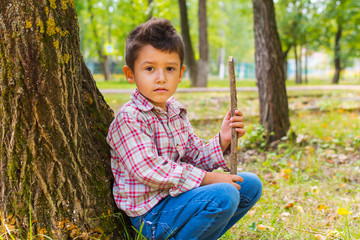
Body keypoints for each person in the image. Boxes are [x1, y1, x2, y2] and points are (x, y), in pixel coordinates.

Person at [106, 17, 262, 240]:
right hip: (152, 215)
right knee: (225, 194)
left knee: (250, 186)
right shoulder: (129, 118)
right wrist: (208, 179)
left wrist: (224, 139)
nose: (161, 78)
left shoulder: (175, 111)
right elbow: (149, 170)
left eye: (170, 68)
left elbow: (195, 156)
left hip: (178, 199)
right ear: (130, 74)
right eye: (149, 68)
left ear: (180, 74)